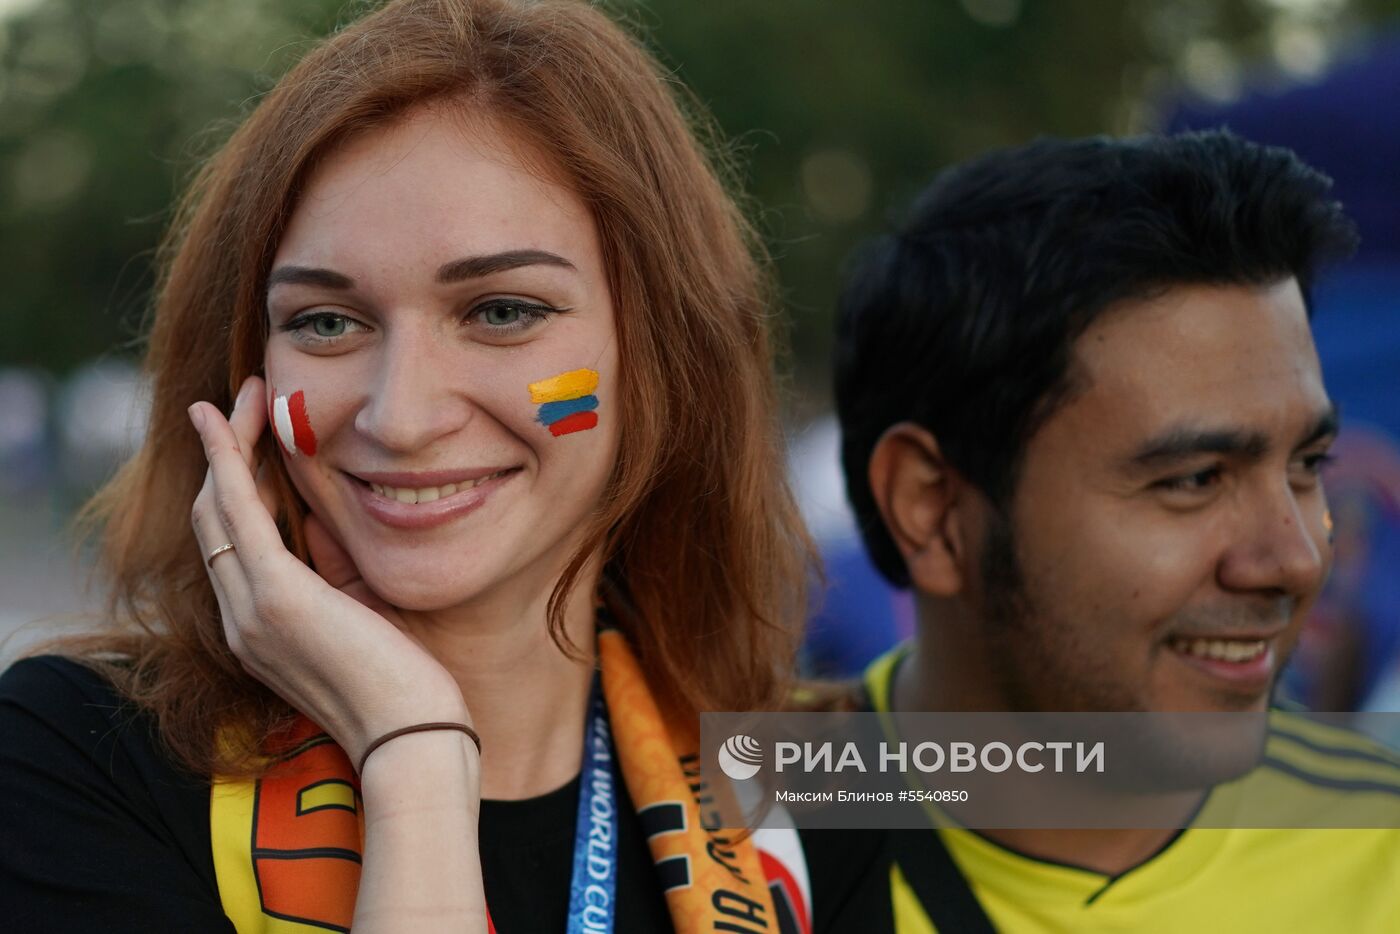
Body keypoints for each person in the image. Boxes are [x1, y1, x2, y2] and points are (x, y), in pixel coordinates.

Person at [0, 1, 838, 930]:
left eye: (502, 311)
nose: (401, 417)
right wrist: (416, 758)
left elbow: (1022, 751)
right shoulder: (69, 754)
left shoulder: (809, 772)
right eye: (326, 322)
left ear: (664, 355)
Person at [832, 131, 1400, 931]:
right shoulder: (709, 830)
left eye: (1307, 465)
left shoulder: (1380, 848)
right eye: (1195, 479)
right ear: (930, 507)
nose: (1296, 560)